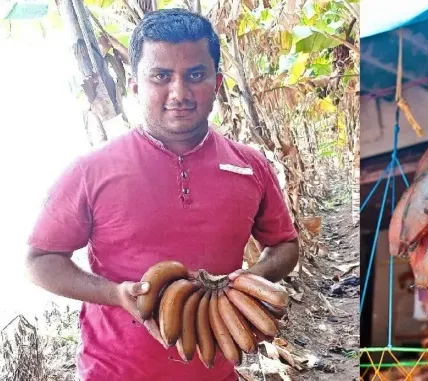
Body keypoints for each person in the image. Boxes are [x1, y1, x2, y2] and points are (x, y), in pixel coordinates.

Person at [24, 8, 299, 381]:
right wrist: (116, 294)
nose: (179, 93)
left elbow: (284, 244)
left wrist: (246, 282)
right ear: (135, 84)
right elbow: (39, 260)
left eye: (195, 75)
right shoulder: (91, 171)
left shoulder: (250, 165)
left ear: (217, 83)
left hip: (216, 372)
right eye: (161, 76)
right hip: (114, 372)